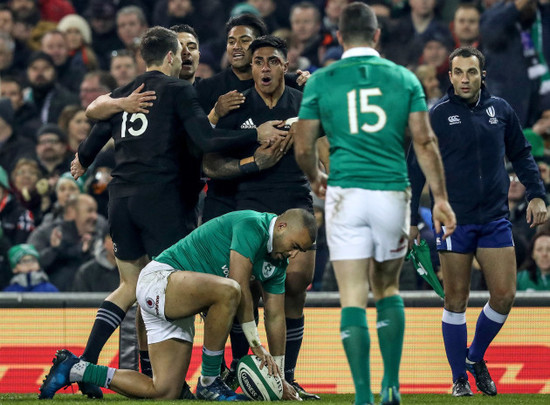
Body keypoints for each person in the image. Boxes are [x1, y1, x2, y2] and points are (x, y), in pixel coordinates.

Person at [69, 26, 286, 399]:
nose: (186, 55)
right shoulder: (180, 90)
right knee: (175, 285)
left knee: (132, 287)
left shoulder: (126, 92)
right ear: (172, 56)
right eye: (182, 49)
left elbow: (95, 129)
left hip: (121, 198)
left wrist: (84, 159)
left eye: (193, 48)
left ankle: (85, 365)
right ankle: (194, 379)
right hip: (163, 200)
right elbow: (205, 141)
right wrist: (255, 135)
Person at [293, 3, 456, 405]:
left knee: (352, 294)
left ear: (340, 36)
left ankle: (363, 396)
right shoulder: (404, 78)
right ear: (377, 34)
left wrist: (316, 177)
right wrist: (440, 199)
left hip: (346, 193)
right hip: (391, 192)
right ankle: (393, 386)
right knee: (387, 287)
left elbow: (302, 144)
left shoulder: (321, 80)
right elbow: (424, 141)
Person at [39, 208, 316, 401]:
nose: (293, 254)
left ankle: (75, 368)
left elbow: (276, 316)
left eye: (300, 251)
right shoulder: (251, 224)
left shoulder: (278, 261)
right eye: (294, 245)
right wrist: (255, 344)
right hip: (161, 279)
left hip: (180, 302)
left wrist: (280, 377)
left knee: (164, 391)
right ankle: (209, 382)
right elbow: (239, 283)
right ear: (281, 226)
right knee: (231, 290)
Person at [408, 46, 547, 397]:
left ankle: (473, 357)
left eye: (471, 72)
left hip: (495, 218)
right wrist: (410, 218)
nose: (465, 79)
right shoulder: (436, 115)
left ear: (481, 75)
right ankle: (458, 379)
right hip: (454, 221)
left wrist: (537, 193)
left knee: (504, 295)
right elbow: (414, 169)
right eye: (458, 72)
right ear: (450, 75)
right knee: (456, 299)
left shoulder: (501, 110)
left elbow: (522, 153)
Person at [202, 35, 319, 400]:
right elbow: (208, 163)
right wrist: (254, 162)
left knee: (295, 288)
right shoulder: (237, 108)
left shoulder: (305, 103)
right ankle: (245, 370)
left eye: (272, 61)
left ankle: (287, 376)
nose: (264, 68)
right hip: (249, 206)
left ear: (286, 65)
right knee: (245, 294)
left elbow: (337, 132)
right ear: (250, 68)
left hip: (296, 204)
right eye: (258, 62)